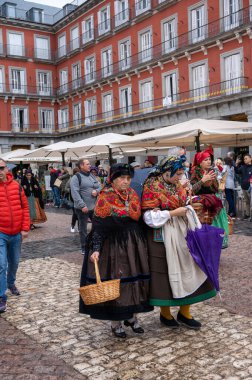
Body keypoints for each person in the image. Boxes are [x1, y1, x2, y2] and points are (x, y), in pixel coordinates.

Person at [141, 156, 216, 330]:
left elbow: (184, 200)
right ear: (166, 171)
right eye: (177, 174)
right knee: (165, 272)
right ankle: (165, 314)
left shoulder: (177, 185)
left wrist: (191, 204)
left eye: (181, 174)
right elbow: (148, 217)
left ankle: (185, 313)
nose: (179, 178)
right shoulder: (151, 186)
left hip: (183, 231)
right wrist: (172, 213)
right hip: (162, 234)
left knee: (191, 266)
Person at [79, 163, 153, 338]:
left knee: (135, 280)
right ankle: (116, 322)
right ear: (113, 178)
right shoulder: (105, 196)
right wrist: (96, 248)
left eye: (128, 178)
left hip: (134, 243)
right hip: (113, 245)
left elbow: (139, 218)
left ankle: (132, 317)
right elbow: (98, 225)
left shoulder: (133, 194)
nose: (126, 181)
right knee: (117, 280)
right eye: (122, 178)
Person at [0, 158, 30, 313]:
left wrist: (25, 228)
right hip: (1, 233)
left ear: (7, 169)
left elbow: (25, 207)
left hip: (17, 232)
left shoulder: (17, 187)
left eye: (1, 168)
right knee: (1, 264)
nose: (0, 171)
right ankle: (1, 296)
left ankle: (11, 283)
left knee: (15, 262)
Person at [190, 147, 229, 248]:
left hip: (214, 202)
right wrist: (202, 181)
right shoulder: (195, 173)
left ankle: (216, 246)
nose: (208, 161)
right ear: (200, 162)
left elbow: (216, 189)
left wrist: (217, 182)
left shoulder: (212, 171)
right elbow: (192, 190)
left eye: (209, 159)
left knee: (217, 226)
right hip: (203, 205)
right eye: (205, 160)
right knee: (206, 229)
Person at [70, 159, 101, 255]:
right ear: (81, 166)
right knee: (83, 229)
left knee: (97, 226)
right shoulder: (76, 177)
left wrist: (97, 191)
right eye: (87, 164)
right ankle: (84, 247)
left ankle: (95, 245)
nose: (90, 165)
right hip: (82, 208)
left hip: (93, 207)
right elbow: (75, 193)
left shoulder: (91, 175)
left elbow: (99, 186)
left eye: (89, 164)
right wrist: (82, 205)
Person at [235, 154, 252, 220]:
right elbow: (237, 171)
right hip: (244, 187)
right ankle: (247, 214)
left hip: (250, 188)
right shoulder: (243, 167)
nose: (245, 160)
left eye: (246, 158)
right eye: (244, 159)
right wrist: (236, 163)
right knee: (247, 202)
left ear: (250, 158)